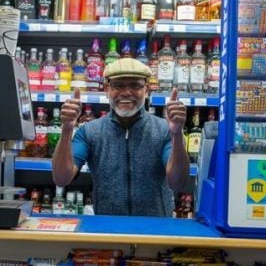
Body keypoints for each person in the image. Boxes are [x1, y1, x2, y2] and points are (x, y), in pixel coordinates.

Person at [51, 57, 190, 216]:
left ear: (146, 90)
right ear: (106, 89)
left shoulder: (164, 130)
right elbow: (61, 178)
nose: (126, 92)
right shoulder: (89, 132)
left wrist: (177, 133)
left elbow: (178, 183)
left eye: (135, 85)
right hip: (108, 230)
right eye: (118, 85)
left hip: (156, 230)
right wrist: (67, 129)